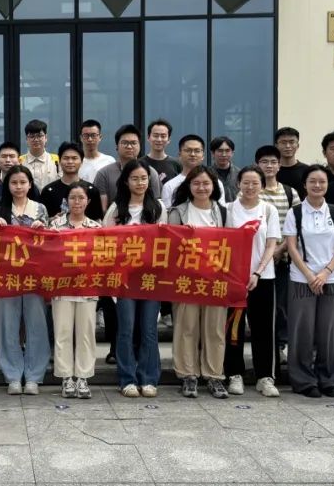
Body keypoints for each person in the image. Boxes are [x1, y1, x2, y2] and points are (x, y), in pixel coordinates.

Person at [284, 165, 334, 398]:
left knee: (330, 330)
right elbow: (291, 247)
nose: (317, 185)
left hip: (332, 278)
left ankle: (329, 378)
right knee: (302, 330)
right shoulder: (295, 213)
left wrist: (326, 272)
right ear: (305, 184)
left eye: (322, 181)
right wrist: (311, 275)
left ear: (327, 185)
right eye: (312, 181)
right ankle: (303, 380)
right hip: (302, 279)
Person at [168, 166, 231, 399]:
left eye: (206, 183)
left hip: (215, 280)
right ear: (189, 186)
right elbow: (169, 247)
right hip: (186, 280)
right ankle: (188, 375)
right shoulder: (178, 212)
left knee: (215, 330)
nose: (201, 188)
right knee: (186, 328)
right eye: (196, 183)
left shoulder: (223, 212)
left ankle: (214, 376)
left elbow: (232, 246)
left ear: (214, 186)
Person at [104, 159, 162, 397]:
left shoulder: (158, 208)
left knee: (149, 329)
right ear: (126, 182)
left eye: (144, 178)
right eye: (135, 178)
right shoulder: (116, 209)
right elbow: (106, 243)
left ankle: (149, 378)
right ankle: (127, 378)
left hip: (151, 279)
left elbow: (166, 243)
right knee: (126, 329)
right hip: (124, 279)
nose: (140, 183)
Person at [0, 164, 50, 394]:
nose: (18, 187)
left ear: (30, 184)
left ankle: (34, 376)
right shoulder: (0, 210)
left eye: (22, 182)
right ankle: (13, 376)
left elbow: (50, 244)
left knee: (37, 325)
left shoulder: (40, 208)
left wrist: (42, 229)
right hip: (7, 277)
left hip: (34, 277)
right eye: (14, 183)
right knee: (7, 326)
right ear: (7, 185)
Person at [225, 167, 281, 398]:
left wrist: (257, 272)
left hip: (262, 278)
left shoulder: (268, 210)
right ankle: (234, 374)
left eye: (255, 183)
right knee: (234, 329)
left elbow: (271, 245)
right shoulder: (228, 209)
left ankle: (265, 376)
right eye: (246, 182)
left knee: (263, 328)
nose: (250, 187)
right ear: (238, 184)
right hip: (234, 279)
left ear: (262, 185)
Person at [49, 184, 101, 399]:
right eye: (72, 197)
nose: (77, 202)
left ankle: (83, 377)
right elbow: (47, 255)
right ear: (66, 201)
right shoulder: (55, 226)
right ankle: (66, 377)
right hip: (62, 287)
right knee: (62, 332)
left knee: (86, 334)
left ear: (88, 201)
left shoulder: (96, 228)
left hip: (87, 287)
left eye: (81, 198)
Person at [256, 144, 300, 359]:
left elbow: (297, 225)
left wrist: (278, 250)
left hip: (282, 259)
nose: (269, 166)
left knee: (282, 306)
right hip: (256, 260)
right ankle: (265, 347)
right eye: (264, 162)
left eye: (273, 162)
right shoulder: (252, 190)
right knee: (261, 306)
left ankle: (280, 345)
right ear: (257, 165)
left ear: (280, 165)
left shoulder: (290, 192)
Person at [94, 124, 156, 212]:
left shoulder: (150, 172)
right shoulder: (104, 174)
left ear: (140, 146)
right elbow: (101, 210)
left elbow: (156, 202)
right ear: (117, 146)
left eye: (133, 143)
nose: (129, 147)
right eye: (125, 143)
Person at [39, 141, 101, 222]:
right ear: (60, 161)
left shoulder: (91, 190)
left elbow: (98, 220)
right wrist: (52, 220)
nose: (70, 162)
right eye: (66, 158)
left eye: (74, 158)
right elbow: (42, 221)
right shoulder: (48, 191)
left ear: (82, 161)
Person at [161, 135, 225, 209]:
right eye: (188, 150)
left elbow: (221, 210)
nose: (192, 154)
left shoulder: (215, 183)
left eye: (197, 151)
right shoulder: (169, 186)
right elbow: (168, 213)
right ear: (179, 155)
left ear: (203, 155)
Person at [0, 142, 35, 211]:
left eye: (12, 156)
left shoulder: (29, 188)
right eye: (4, 156)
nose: (8, 160)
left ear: (19, 161)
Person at [20, 119, 60, 190]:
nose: (36, 139)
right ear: (26, 139)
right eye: (32, 136)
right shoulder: (19, 161)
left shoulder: (56, 160)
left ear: (46, 137)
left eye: (39, 136)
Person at [141, 119, 182, 188]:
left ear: (169, 139)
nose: (159, 139)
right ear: (148, 137)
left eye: (163, 136)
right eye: (155, 136)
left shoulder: (177, 164)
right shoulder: (140, 163)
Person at [275, 126, 311, 198]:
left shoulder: (307, 171)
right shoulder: (271, 170)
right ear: (276, 146)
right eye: (283, 142)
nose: (288, 146)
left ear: (297, 145)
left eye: (292, 142)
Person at [210, 136, 240, 201]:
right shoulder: (207, 174)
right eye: (220, 151)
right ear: (212, 153)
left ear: (232, 153)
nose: (224, 154)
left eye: (227, 151)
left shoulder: (240, 174)